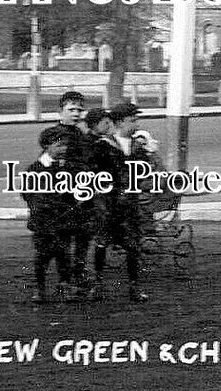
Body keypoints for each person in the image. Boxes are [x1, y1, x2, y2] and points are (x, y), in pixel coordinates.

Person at [88, 101, 148, 303]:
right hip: (108, 206)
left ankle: (134, 287)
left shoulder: (138, 147)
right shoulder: (103, 147)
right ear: (120, 122)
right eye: (133, 120)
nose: (137, 124)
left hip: (129, 206)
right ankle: (97, 284)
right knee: (102, 244)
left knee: (133, 246)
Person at [22, 129, 83, 304]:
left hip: (63, 221)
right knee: (43, 256)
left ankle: (64, 286)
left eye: (65, 145)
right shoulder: (35, 169)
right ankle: (40, 288)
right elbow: (32, 196)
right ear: (47, 145)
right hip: (44, 222)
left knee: (64, 255)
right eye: (59, 145)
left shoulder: (66, 168)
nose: (64, 149)